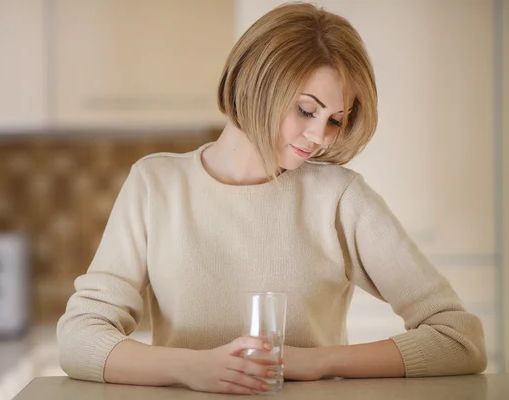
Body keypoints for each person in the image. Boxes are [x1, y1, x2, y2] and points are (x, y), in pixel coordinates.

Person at [56, 1, 487, 395]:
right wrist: (192, 368)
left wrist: (314, 363)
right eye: (306, 109)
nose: (319, 136)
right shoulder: (155, 184)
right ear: (254, 82)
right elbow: (79, 338)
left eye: (335, 119)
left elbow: (459, 339)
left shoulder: (338, 197)